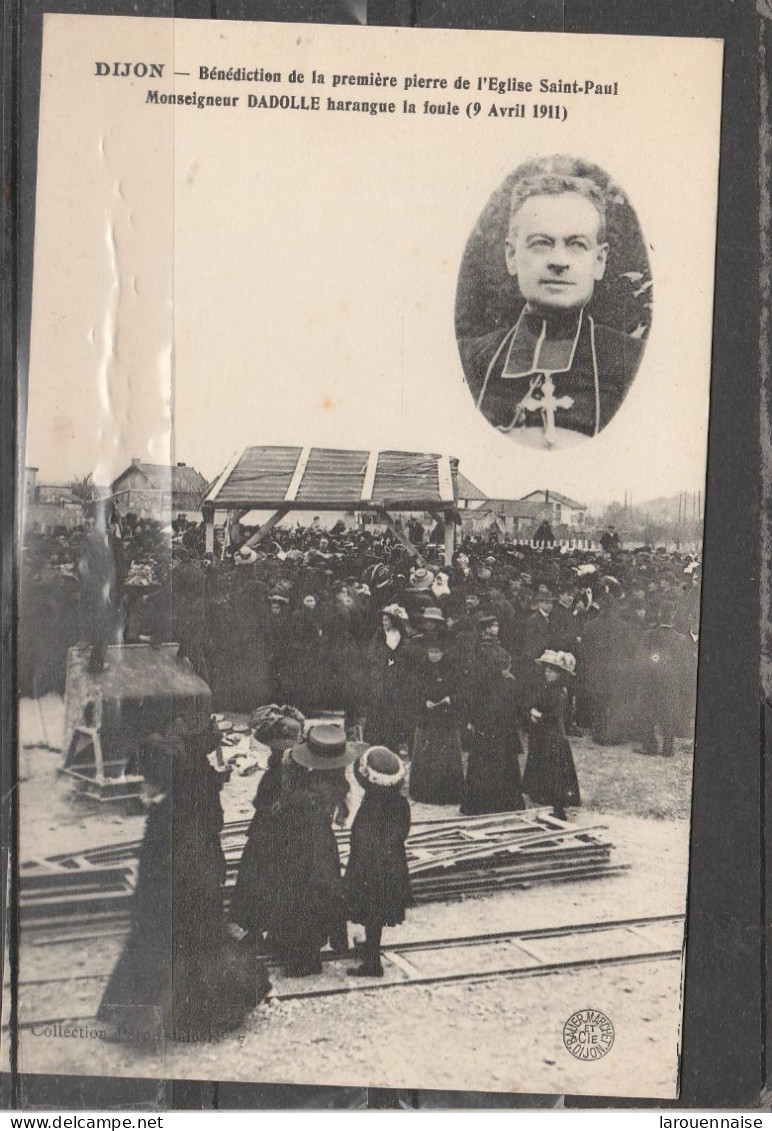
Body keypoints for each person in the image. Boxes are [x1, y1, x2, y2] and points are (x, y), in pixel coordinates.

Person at [98, 716, 267, 1040]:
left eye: (149, 779)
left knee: (177, 947)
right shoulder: (198, 780)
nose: (145, 786)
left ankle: (170, 1019)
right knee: (190, 944)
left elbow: (170, 851)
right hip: (191, 876)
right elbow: (209, 826)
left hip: (182, 883)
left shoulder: (174, 805)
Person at [459, 157, 643, 449]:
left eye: (576, 244)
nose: (558, 261)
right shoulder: (470, 361)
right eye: (541, 243)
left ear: (599, 260)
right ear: (511, 256)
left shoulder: (633, 362)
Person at [266, 722, 361, 976]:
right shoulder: (335, 782)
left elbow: (288, 804)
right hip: (321, 845)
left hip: (306, 846)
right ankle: (306, 950)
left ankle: (306, 959)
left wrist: (288, 768)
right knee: (316, 896)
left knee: (304, 898)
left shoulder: (311, 787)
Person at [229, 705, 305, 942]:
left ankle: (259, 930)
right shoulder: (288, 764)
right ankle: (269, 929)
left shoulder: (285, 767)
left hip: (271, 834)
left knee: (262, 880)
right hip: (274, 833)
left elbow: (267, 799)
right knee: (271, 880)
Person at [345, 746, 413, 978]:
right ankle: (371, 946)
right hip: (392, 866)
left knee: (371, 913)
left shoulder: (372, 805)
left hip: (369, 868)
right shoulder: (401, 804)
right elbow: (401, 833)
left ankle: (372, 963)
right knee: (379, 913)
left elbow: (360, 836)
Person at [522, 650, 580, 820]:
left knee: (552, 768)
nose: (547, 672)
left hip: (552, 735)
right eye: (546, 669)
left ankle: (550, 797)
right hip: (540, 733)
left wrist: (538, 716)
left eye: (552, 670)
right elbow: (533, 703)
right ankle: (538, 794)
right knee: (539, 763)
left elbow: (556, 716)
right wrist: (531, 712)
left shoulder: (560, 692)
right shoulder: (545, 688)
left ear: (560, 674)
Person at [409, 640, 464, 805]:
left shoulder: (450, 669)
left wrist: (450, 698)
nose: (434, 655)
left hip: (445, 719)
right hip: (427, 719)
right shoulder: (420, 668)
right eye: (431, 651)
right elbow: (413, 691)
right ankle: (424, 791)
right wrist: (424, 702)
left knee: (447, 753)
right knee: (426, 752)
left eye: (437, 652)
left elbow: (459, 690)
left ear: (443, 652)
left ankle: (448, 792)